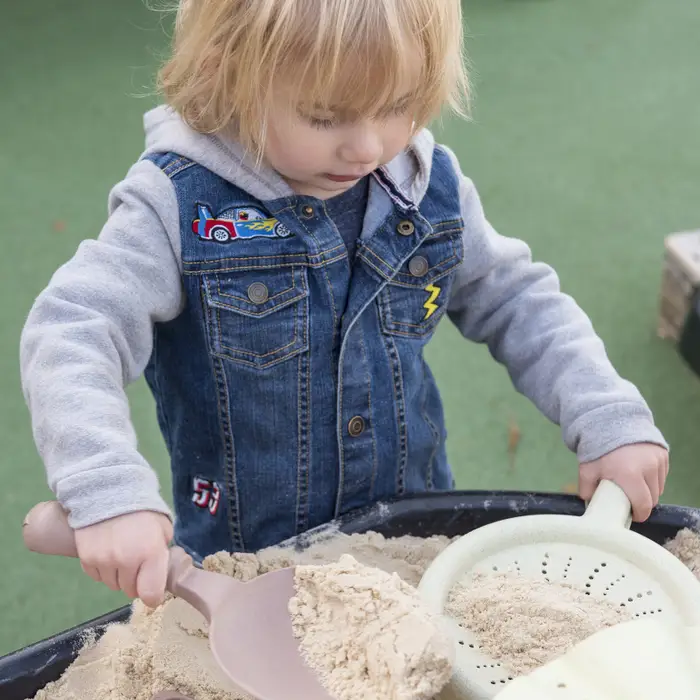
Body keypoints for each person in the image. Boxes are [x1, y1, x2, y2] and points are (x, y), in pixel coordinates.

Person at [19, 0, 668, 609]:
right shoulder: (181, 208)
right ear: (226, 76)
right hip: (252, 558)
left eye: (399, 105)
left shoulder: (425, 187)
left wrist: (606, 414)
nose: (366, 146)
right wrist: (106, 491)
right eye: (326, 116)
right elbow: (75, 328)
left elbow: (517, 299)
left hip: (411, 531)